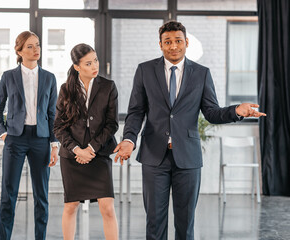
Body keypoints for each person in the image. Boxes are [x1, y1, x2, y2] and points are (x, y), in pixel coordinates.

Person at [114, 21, 266, 240]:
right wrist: (129, 139)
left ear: (186, 42)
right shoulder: (145, 70)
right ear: (160, 45)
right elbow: (136, 111)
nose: (173, 46)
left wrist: (237, 111)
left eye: (178, 41)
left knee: (186, 224)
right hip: (153, 156)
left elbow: (212, 113)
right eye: (168, 42)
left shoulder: (201, 74)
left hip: (188, 157)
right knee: (154, 223)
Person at [0, 31, 58, 240]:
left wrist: (54, 144)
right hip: (15, 139)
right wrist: (3, 135)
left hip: (41, 139)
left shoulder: (49, 77)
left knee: (41, 197)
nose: (36, 49)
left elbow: (52, 114)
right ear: (19, 51)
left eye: (37, 45)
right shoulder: (8, 76)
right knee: (8, 195)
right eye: (29, 46)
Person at [54, 43, 119, 240]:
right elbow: (58, 127)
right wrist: (77, 150)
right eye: (88, 63)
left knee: (107, 207)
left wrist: (90, 148)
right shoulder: (66, 89)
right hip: (72, 157)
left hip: (98, 154)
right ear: (77, 67)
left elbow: (112, 124)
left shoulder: (108, 87)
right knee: (71, 206)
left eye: (96, 60)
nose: (94, 66)